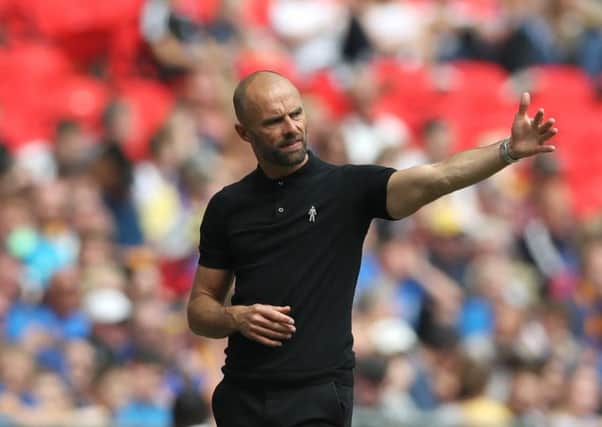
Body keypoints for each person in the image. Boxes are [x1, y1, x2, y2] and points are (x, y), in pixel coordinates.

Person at [186, 70, 558, 427]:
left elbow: (437, 177)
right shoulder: (227, 207)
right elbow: (200, 309)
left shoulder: (345, 188)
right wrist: (237, 317)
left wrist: (508, 151)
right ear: (244, 133)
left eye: (296, 113)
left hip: (316, 394)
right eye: (273, 121)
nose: (292, 128)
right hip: (243, 395)